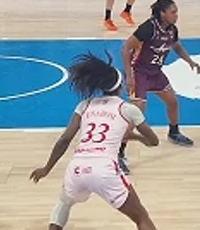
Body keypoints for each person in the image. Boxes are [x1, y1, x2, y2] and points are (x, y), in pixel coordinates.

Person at [29, 53, 161, 230]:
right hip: (104, 168)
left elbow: (65, 139)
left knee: (63, 204)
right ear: (120, 86)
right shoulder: (127, 108)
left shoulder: (85, 105)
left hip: (77, 167)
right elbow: (154, 141)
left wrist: (46, 168)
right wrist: (135, 137)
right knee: (141, 217)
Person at [121, 0, 200, 160]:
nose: (176, 15)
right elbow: (125, 48)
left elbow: (176, 46)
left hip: (155, 72)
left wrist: (190, 61)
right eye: (173, 12)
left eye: (176, 12)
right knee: (136, 113)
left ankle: (174, 132)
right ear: (162, 13)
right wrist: (129, 76)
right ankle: (118, 151)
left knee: (172, 102)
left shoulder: (172, 29)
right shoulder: (148, 28)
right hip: (139, 73)